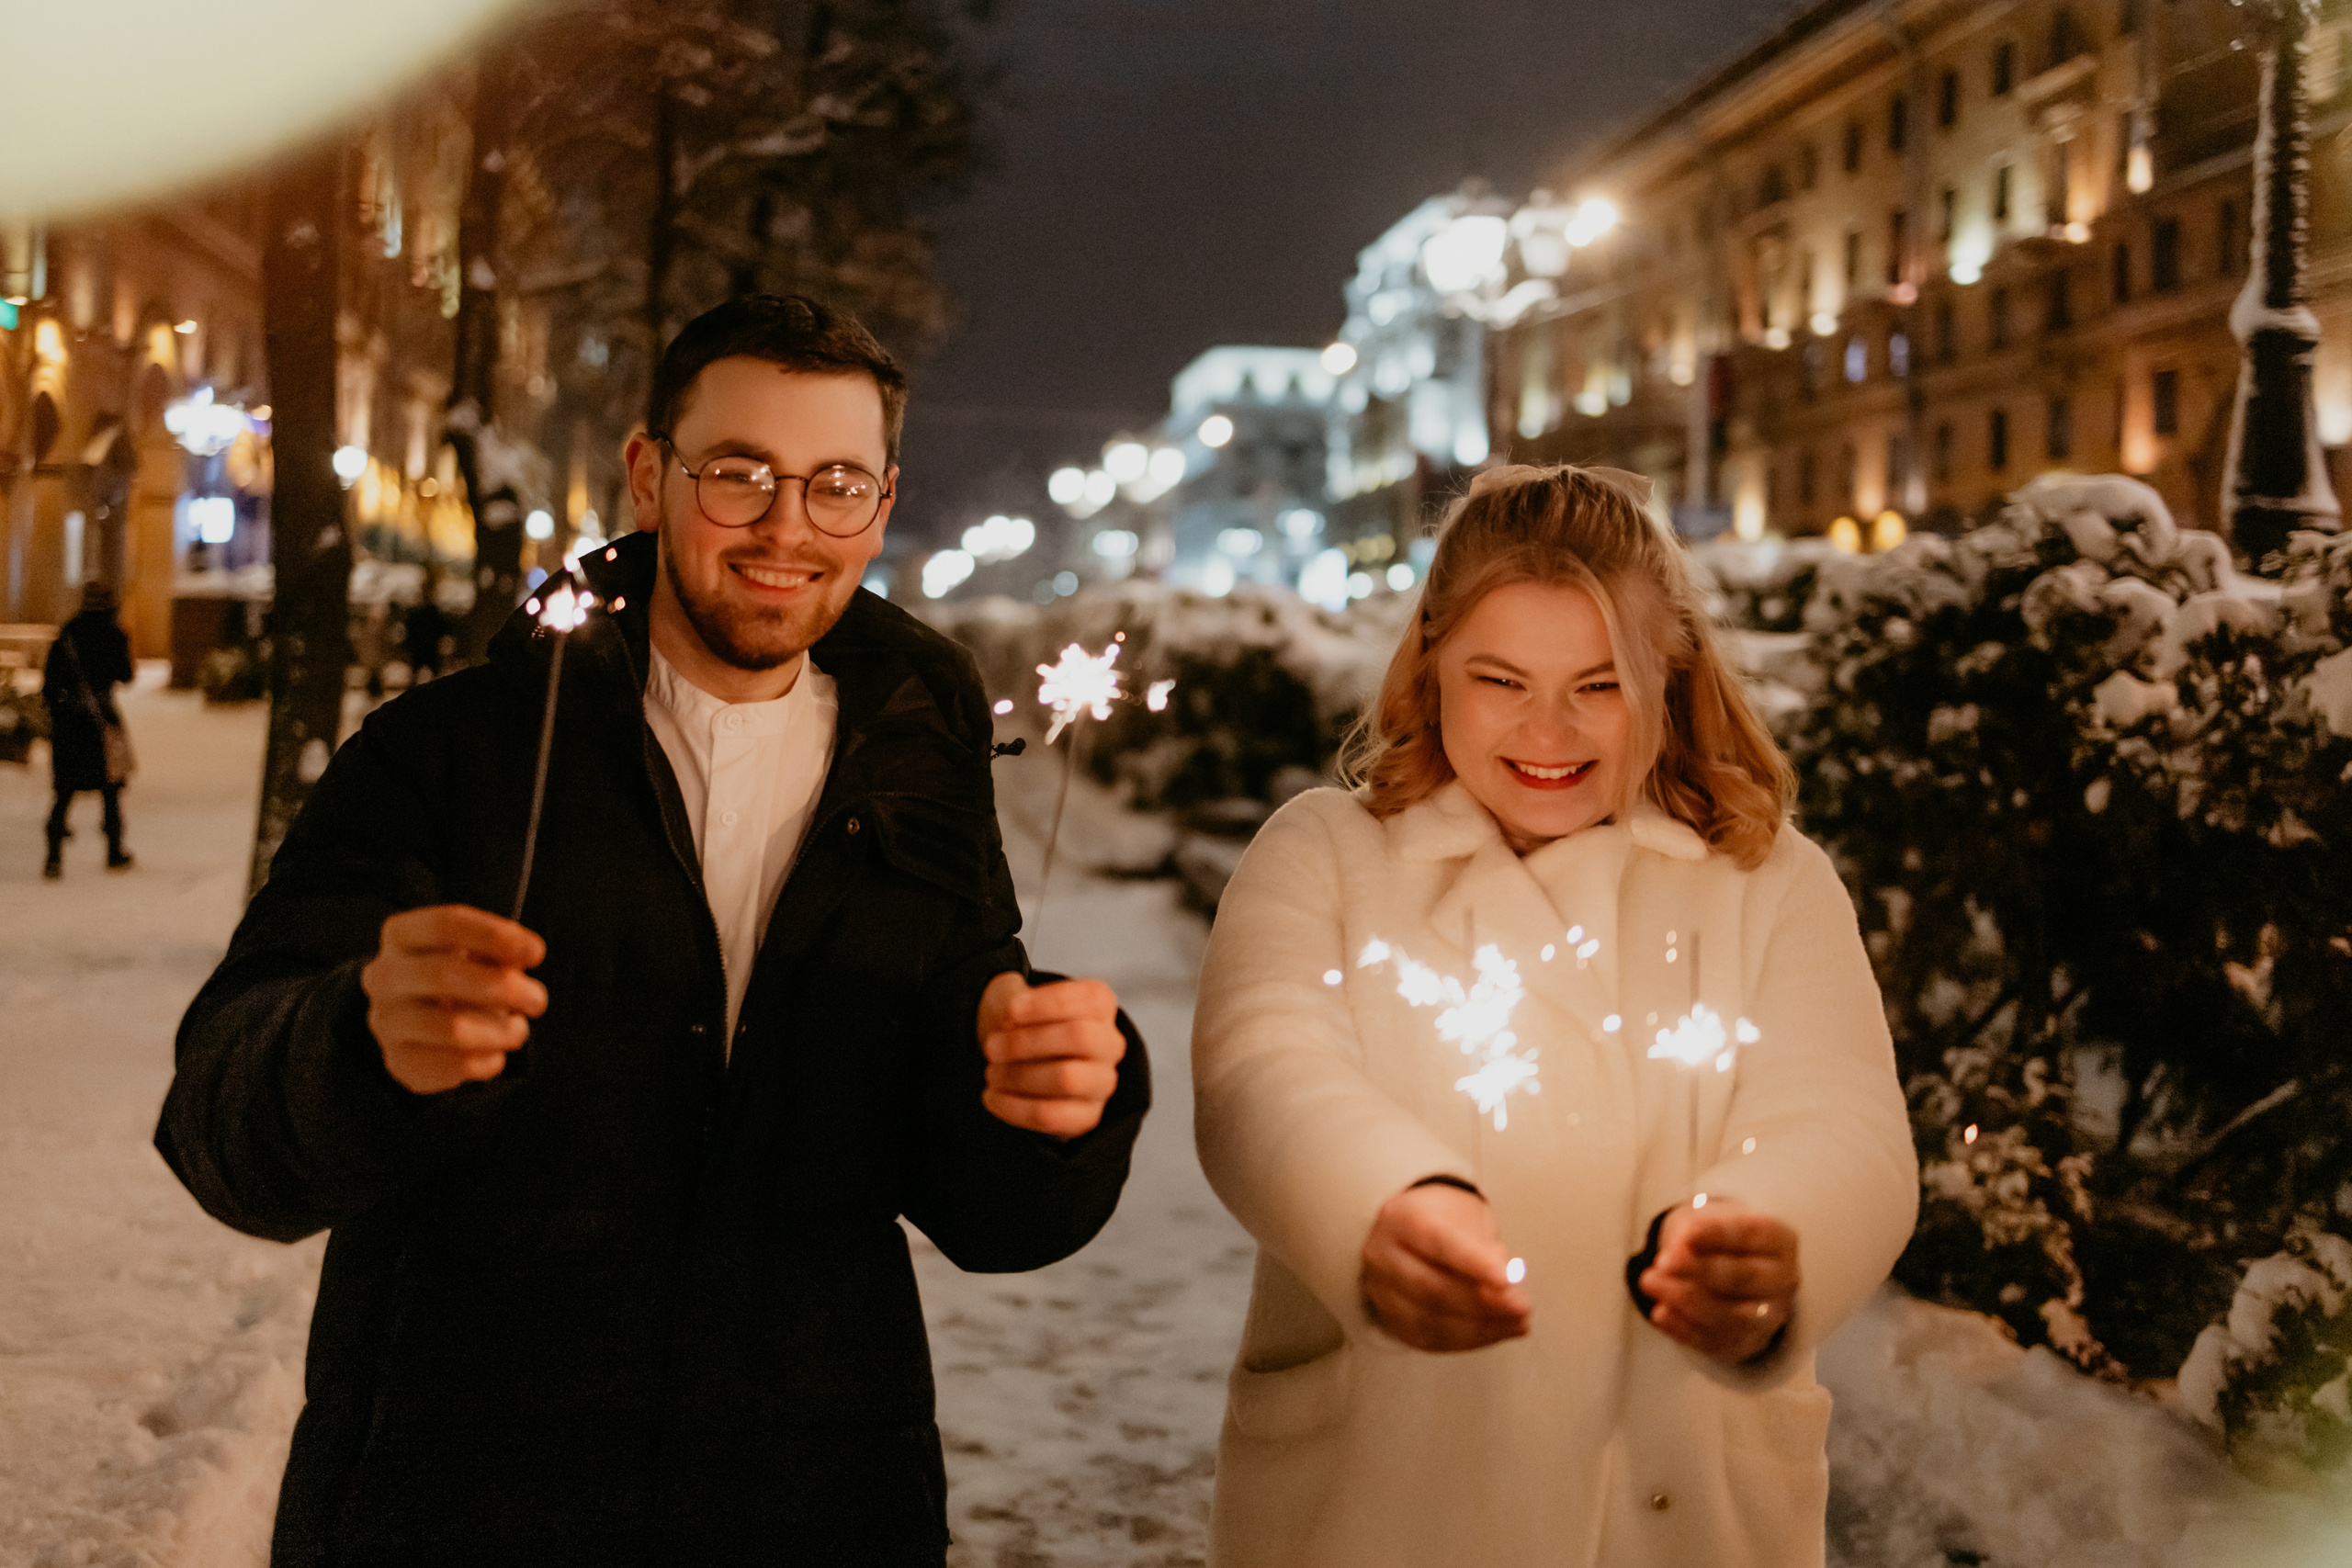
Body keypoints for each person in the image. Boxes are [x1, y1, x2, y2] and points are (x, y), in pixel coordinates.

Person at [158, 295, 1149, 1567]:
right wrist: (358, 1038)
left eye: (836, 483)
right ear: (648, 473)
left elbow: (980, 1205)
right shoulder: (447, 754)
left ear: (884, 502)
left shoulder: (920, 768)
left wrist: (1055, 1104)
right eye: (739, 473)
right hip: (463, 1499)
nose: (788, 526)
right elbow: (218, 1125)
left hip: (816, 1500)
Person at [1192, 465, 1916, 1568]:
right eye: (1500, 679)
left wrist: (1773, 1240)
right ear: (1431, 660)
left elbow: (1844, 1120)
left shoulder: (1765, 882)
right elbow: (1264, 1068)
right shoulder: (1326, 856)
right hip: (1385, 1503)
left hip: (1679, 1510)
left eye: (1598, 684)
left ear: (1668, 675)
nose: (1548, 729)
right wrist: (1378, 1203)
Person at [41, 580, 135, 878]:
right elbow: (126, 675)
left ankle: (53, 857)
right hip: (102, 720)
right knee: (110, 788)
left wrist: (61, 710)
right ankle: (114, 851)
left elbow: (49, 685)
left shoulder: (67, 635)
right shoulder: (113, 635)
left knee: (65, 791)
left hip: (69, 724)